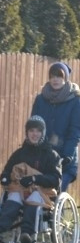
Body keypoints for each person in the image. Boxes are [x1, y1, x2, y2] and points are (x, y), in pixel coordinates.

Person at [0, 115, 61, 243]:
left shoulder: (51, 155)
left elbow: (56, 180)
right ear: (27, 132)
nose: (34, 134)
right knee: (13, 199)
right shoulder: (19, 153)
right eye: (31, 131)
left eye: (38, 131)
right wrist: (4, 177)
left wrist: (34, 178)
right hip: (20, 189)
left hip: (42, 191)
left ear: (43, 133)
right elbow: (7, 170)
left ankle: (26, 234)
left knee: (34, 197)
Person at [30, 62, 80, 192]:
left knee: (56, 192)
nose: (55, 80)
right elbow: (33, 125)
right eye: (52, 76)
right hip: (42, 157)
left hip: (65, 158)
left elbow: (75, 131)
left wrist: (67, 155)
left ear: (65, 78)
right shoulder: (41, 99)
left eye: (59, 76)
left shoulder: (75, 101)